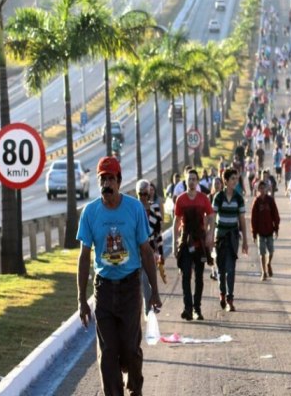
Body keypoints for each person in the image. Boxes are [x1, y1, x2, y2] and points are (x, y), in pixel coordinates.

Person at [77, 157, 162, 396]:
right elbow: (84, 257)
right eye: (102, 179)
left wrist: (154, 291)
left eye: (110, 178)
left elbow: (146, 251)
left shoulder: (134, 209)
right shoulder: (90, 212)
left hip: (129, 288)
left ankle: (135, 389)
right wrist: (82, 300)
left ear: (119, 181)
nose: (106, 183)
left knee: (130, 351)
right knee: (107, 353)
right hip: (103, 289)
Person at [173, 169, 216, 321]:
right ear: (186, 181)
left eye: (194, 179)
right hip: (185, 242)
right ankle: (188, 308)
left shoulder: (203, 198)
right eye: (189, 179)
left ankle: (197, 308)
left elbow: (211, 216)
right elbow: (176, 221)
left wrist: (210, 234)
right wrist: (174, 244)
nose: (191, 182)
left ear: (197, 182)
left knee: (199, 276)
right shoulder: (181, 199)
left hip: (200, 243)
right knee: (185, 276)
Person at [212, 168, 249, 312]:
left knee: (231, 269)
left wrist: (245, 240)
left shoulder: (238, 198)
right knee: (221, 269)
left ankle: (230, 299)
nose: (235, 181)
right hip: (220, 237)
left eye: (236, 178)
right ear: (225, 181)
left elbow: (242, 221)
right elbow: (212, 217)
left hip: (233, 237)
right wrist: (209, 236)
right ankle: (222, 293)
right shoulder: (218, 197)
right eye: (232, 178)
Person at [136, 180, 166, 318]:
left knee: (150, 278)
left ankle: (152, 303)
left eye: (145, 193)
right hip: (136, 251)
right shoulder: (133, 210)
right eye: (140, 193)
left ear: (149, 193)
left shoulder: (155, 210)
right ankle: (148, 309)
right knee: (143, 280)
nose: (142, 196)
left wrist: (160, 253)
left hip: (151, 251)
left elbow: (158, 234)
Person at [251, 180, 280, 281]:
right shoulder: (256, 201)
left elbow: (275, 215)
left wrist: (276, 228)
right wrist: (254, 233)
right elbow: (253, 218)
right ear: (258, 189)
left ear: (266, 189)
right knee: (262, 252)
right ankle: (264, 272)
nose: (262, 190)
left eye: (264, 188)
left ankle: (269, 263)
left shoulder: (270, 200)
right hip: (260, 231)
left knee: (271, 251)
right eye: (260, 188)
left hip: (269, 230)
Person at [207, 177, 223, 281]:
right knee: (212, 251)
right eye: (215, 183)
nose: (216, 185)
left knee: (219, 251)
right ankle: (214, 270)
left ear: (221, 185)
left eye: (218, 183)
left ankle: (219, 269)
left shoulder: (224, 197)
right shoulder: (209, 197)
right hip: (211, 227)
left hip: (221, 227)